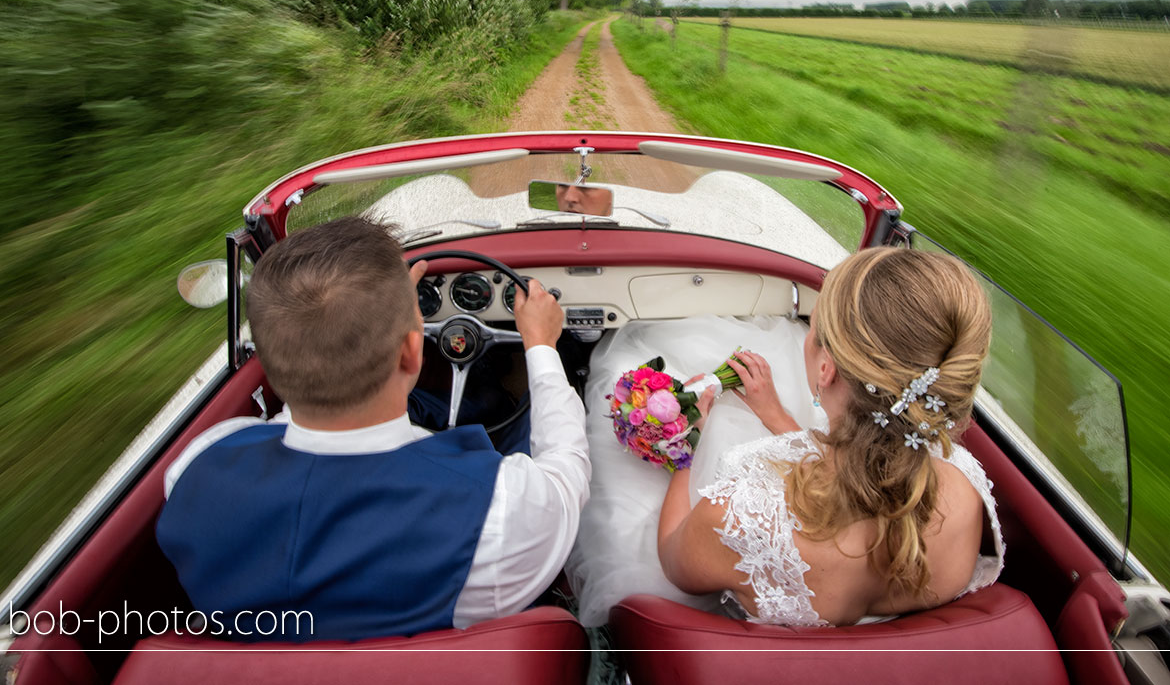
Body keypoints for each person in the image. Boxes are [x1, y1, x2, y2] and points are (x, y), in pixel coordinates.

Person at [156, 216, 588, 641]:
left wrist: (364, 312)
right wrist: (542, 346)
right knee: (526, 414)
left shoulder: (194, 467)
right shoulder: (503, 511)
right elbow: (567, 471)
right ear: (412, 353)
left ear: (268, 360)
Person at [566, 247, 1003, 627]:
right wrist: (776, 417)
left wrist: (685, 446)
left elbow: (673, 560)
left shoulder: (740, 518)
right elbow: (863, 474)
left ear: (826, 369)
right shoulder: (965, 489)